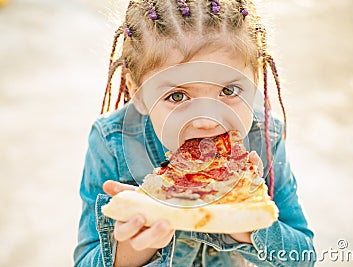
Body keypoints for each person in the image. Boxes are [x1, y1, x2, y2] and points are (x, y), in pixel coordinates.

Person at [73, 0, 315, 266]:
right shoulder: (110, 141)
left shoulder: (267, 136)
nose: (206, 119)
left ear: (254, 79)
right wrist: (131, 251)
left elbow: (303, 257)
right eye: (177, 96)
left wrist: (245, 220)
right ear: (138, 94)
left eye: (229, 91)